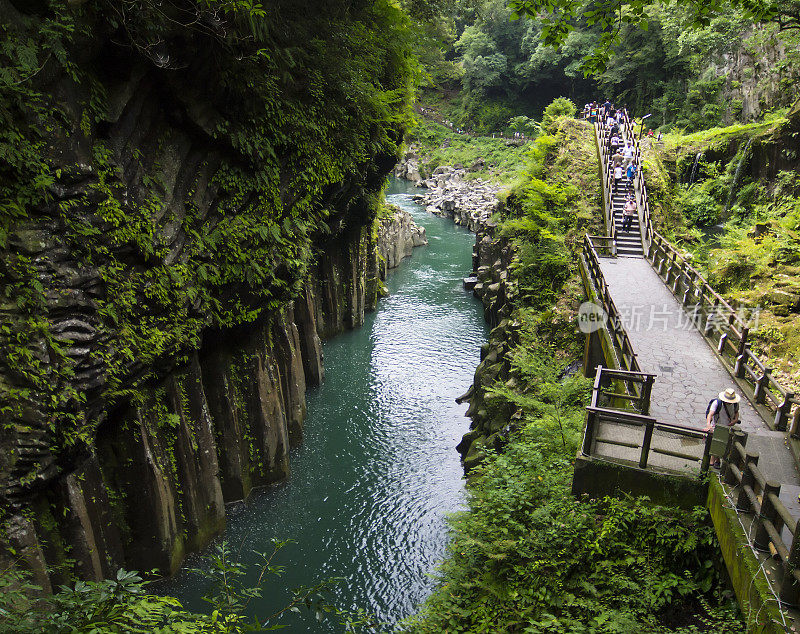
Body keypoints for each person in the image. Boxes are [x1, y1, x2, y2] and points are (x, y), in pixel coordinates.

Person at [704, 388, 741, 467]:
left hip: (727, 427)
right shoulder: (717, 403)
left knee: (723, 444)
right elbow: (710, 414)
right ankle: (712, 462)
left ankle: (715, 461)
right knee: (717, 443)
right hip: (717, 426)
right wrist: (708, 424)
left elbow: (736, 412)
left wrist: (735, 420)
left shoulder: (735, 404)